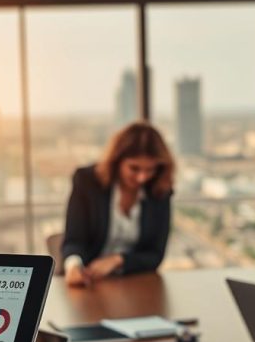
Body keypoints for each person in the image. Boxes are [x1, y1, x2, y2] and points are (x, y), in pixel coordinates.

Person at [61, 122, 175, 287]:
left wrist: (118, 260)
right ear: (116, 161)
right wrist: (73, 265)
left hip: (137, 285)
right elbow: (74, 240)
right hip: (89, 282)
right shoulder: (87, 182)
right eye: (134, 168)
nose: (142, 177)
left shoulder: (160, 191)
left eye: (150, 169)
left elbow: (155, 255)